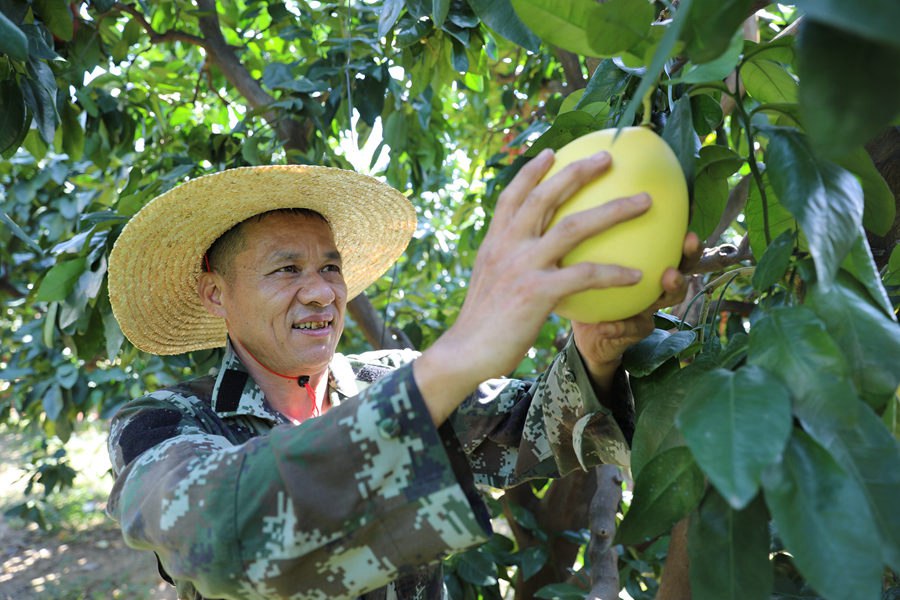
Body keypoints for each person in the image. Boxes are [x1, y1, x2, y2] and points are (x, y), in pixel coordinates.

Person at [105, 150, 699, 599]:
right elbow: (219, 535)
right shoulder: (161, 424)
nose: (320, 293)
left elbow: (532, 431)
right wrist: (459, 352)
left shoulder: (390, 378)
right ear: (216, 294)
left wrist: (597, 347)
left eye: (330, 268)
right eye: (286, 270)